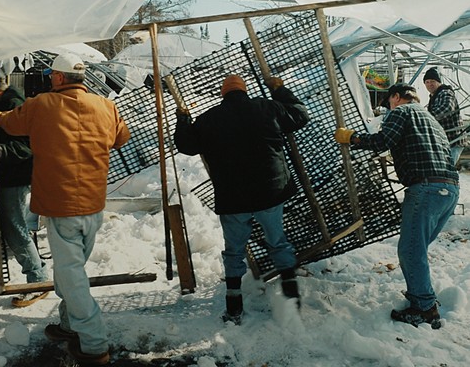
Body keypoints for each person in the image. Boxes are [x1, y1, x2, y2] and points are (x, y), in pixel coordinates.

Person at [0, 53, 130, 366]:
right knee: (72, 271)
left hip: (61, 206)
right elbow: (122, 137)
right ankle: (69, 326)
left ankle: (94, 344)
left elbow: (11, 123)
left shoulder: (41, 105)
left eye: (53, 73)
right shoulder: (105, 105)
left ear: (59, 78)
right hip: (93, 205)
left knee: (72, 276)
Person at [174, 74, 310, 324]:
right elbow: (301, 115)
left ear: (223, 94)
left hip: (233, 198)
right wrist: (279, 90)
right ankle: (292, 297)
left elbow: (186, 145)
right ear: (244, 91)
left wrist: (182, 120)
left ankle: (234, 306)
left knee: (234, 252)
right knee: (278, 242)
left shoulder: (208, 119)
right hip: (270, 193)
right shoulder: (267, 107)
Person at [335, 83, 459, 329]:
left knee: (411, 251)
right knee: (417, 249)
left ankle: (424, 308)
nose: (388, 107)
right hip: (449, 189)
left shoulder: (402, 112)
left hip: (425, 189)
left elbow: (383, 141)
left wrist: (352, 138)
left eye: (388, 102)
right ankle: (422, 299)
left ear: (395, 97)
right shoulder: (430, 119)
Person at [0, 75, 49, 307]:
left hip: (14, 176)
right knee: (2, 226)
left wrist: (0, 151)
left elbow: (27, 145)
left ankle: (37, 280)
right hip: (4, 175)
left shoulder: (12, 104)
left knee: (15, 227)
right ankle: (30, 273)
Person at [423, 67, 468, 167]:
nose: (430, 84)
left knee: (447, 169)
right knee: (443, 170)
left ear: (439, 82)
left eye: (433, 81)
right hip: (446, 141)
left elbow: (446, 110)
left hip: (453, 140)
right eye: (427, 82)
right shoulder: (434, 96)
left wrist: (425, 118)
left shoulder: (445, 93)